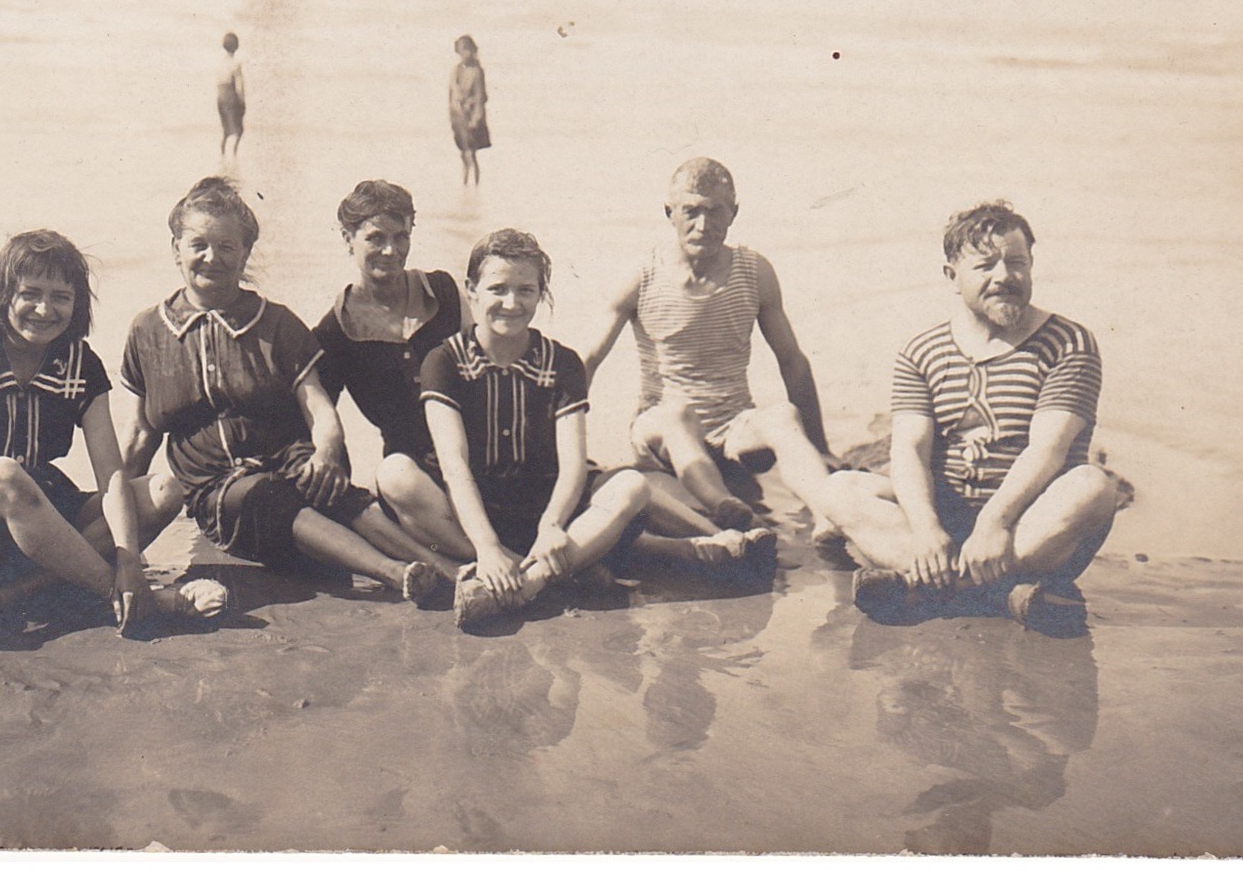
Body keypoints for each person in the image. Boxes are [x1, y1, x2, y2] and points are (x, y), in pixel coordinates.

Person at [411, 230, 773, 631]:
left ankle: (527, 585)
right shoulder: (443, 361)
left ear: (541, 293)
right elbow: (454, 465)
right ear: (472, 291)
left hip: (549, 508)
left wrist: (551, 525)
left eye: (525, 290)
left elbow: (572, 467)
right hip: (475, 512)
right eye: (497, 289)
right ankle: (538, 565)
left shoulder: (560, 362)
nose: (511, 303)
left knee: (632, 486)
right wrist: (487, 546)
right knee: (396, 477)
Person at [120, 177, 449, 604]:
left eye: (226, 246)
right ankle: (397, 573)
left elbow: (319, 407)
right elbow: (140, 435)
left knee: (337, 493)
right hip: (218, 489)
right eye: (198, 244)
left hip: (288, 460)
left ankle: (446, 568)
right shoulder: (148, 331)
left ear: (246, 253)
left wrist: (327, 452)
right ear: (175, 249)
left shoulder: (274, 322)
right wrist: (124, 531)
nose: (211, 258)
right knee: (265, 496)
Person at [0, 230, 216, 641]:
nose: (44, 309)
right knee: (3, 476)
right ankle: (127, 599)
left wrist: (130, 560)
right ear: (3, 293)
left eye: (61, 297)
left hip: (35, 515)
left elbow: (112, 476)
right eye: (31, 293)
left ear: (77, 304)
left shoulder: (81, 365)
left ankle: (20, 594)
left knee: (164, 491)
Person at [815, 201, 1119, 628]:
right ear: (951, 276)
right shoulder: (921, 352)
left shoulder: (1068, 344)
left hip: (1025, 525)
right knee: (837, 490)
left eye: (1017, 263)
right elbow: (910, 448)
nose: (1004, 277)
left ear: (1031, 265)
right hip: (947, 522)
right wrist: (925, 531)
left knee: (1093, 486)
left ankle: (934, 590)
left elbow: (1048, 450)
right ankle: (999, 593)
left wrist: (995, 523)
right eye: (986, 266)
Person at [581, 157, 837, 539]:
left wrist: (821, 446)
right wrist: (565, 449)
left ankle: (830, 514)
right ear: (669, 213)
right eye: (691, 212)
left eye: (715, 212)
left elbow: (792, 361)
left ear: (734, 212)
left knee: (783, 415)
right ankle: (726, 507)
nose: (704, 225)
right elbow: (587, 361)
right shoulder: (644, 275)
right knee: (678, 413)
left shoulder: (753, 271)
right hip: (663, 425)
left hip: (733, 425)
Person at [312, 181, 465, 519]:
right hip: (411, 482)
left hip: (476, 460)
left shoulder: (444, 292)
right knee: (397, 479)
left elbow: (491, 372)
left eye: (401, 237)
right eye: (376, 238)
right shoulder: (335, 332)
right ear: (348, 238)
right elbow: (319, 420)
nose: (391, 250)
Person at [448, 35, 488, 186]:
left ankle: (474, 185)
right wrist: (452, 114)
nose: (465, 54)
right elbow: (451, 93)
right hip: (458, 115)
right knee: (463, 152)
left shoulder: (477, 71)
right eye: (461, 50)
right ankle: (465, 183)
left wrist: (476, 118)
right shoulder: (457, 70)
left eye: (467, 50)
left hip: (472, 116)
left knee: (472, 152)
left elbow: (480, 96)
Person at [216, 32, 246, 161]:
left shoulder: (220, 62)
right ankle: (234, 154)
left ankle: (222, 155)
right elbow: (239, 85)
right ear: (237, 46)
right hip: (230, 95)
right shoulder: (236, 63)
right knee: (239, 129)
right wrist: (242, 100)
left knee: (225, 129)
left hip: (220, 96)